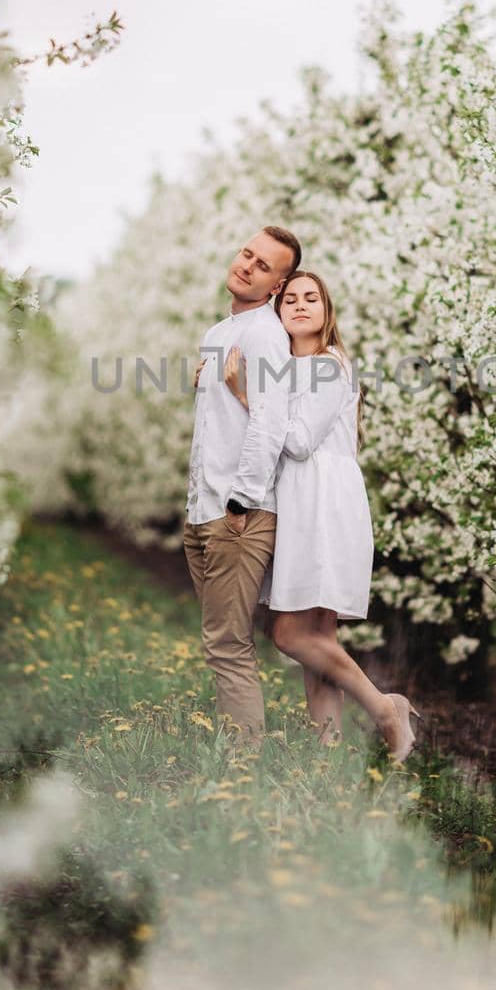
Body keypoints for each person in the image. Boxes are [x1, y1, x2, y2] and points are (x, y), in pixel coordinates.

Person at [224, 269, 420, 762]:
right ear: (278, 309)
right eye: (290, 298)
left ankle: (384, 708)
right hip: (302, 498)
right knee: (318, 639)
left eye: (312, 298)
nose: (301, 305)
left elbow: (298, 440)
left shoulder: (328, 366)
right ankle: (327, 758)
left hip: (322, 502)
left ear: (326, 310)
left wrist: (248, 397)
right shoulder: (290, 366)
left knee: (290, 634)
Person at [182, 226, 301, 741]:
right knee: (220, 644)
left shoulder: (265, 334)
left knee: (229, 646)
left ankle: (243, 774)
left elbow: (270, 422)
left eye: (263, 266)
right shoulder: (218, 331)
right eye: (247, 254)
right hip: (203, 510)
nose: (248, 266)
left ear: (276, 286)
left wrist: (241, 500)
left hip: (237, 513)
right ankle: (235, 759)